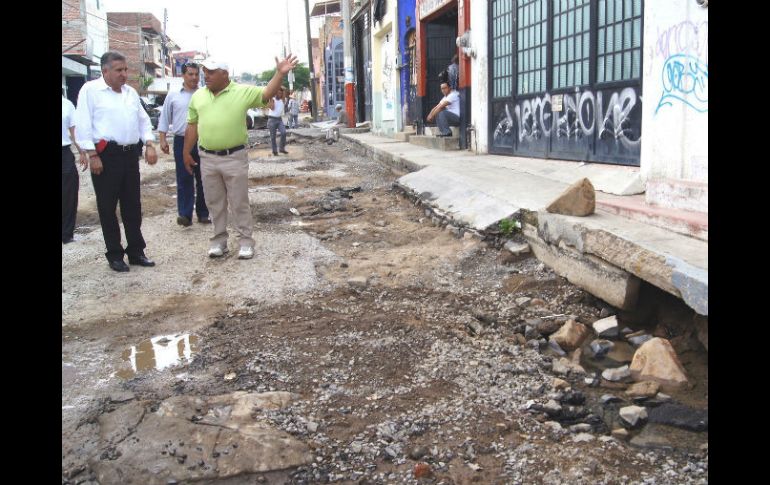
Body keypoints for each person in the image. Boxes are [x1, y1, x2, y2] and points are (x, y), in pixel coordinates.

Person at [184, 55, 298, 260]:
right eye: (205, 72)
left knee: (239, 201)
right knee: (214, 202)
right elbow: (192, 125)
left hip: (234, 157)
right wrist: (186, 152)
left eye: (211, 72)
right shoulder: (198, 96)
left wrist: (280, 74)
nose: (206, 76)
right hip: (207, 157)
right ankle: (218, 241)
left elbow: (267, 93)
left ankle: (245, 241)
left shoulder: (241, 91)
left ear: (224, 74)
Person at [74, 51, 159, 272]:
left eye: (125, 70)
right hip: (105, 155)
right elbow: (83, 124)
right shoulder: (90, 91)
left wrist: (149, 144)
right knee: (107, 207)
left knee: (133, 205)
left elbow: (143, 120)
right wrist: (92, 155)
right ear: (105, 71)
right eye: (119, 70)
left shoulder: (130, 93)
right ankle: (114, 254)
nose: (124, 74)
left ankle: (136, 251)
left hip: (130, 155)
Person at [158, 62, 210, 227]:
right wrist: (162, 138)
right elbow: (165, 118)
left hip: (202, 140)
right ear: (183, 75)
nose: (194, 77)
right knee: (184, 177)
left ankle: (203, 214)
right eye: (190, 74)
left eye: (196, 74)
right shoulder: (173, 95)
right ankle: (185, 215)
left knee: (204, 178)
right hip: (181, 140)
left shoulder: (205, 94)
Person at [62, 94, 88, 244]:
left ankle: (66, 233)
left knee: (68, 193)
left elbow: (74, 132)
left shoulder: (67, 105)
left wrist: (82, 151)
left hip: (64, 152)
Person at [267, 87, 288, 156]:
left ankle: (281, 148)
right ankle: (274, 151)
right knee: (273, 136)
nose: (280, 94)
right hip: (272, 119)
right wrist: (271, 98)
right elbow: (272, 108)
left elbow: (284, 89)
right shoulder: (272, 100)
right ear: (275, 93)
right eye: (278, 93)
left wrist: (278, 86)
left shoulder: (283, 100)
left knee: (284, 132)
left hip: (279, 119)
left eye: (281, 93)